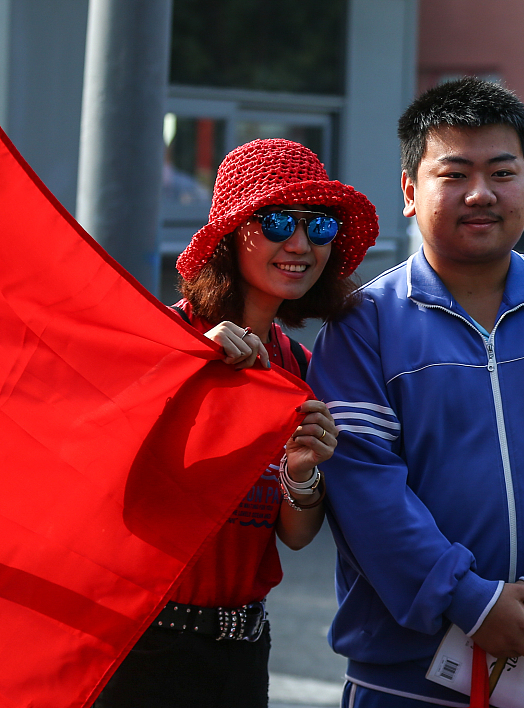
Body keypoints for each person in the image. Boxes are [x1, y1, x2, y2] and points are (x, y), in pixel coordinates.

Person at [307, 77, 524, 708]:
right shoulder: (363, 326)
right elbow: (364, 490)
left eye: (503, 171)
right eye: (454, 174)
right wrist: (469, 600)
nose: (482, 194)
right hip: (406, 680)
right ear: (411, 192)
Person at [95, 138, 380, 708]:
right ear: (231, 233)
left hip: (243, 653)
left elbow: (295, 536)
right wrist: (186, 369)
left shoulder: (298, 368)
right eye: (276, 220)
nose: (299, 244)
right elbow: (104, 480)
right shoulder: (166, 341)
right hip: (136, 650)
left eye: (318, 226)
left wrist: (302, 470)